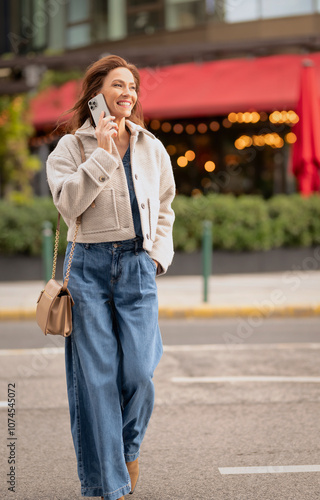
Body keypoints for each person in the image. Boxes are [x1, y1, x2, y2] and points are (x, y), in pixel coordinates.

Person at [46, 55, 175, 500]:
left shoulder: (149, 146)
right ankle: (110, 485)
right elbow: (68, 205)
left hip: (137, 267)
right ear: (96, 92)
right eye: (118, 84)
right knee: (97, 378)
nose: (128, 93)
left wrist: (156, 258)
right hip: (88, 270)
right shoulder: (70, 149)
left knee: (139, 371)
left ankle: (127, 449)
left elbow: (165, 208)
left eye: (133, 86)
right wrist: (101, 155)